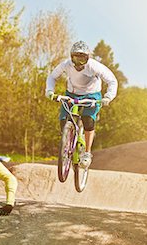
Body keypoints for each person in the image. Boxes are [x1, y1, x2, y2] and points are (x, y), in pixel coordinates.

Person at [45, 40, 118, 168]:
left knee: (88, 120)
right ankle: (67, 143)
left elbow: (112, 80)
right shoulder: (66, 65)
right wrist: (50, 91)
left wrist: (108, 97)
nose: (78, 63)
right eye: (75, 58)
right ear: (71, 57)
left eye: (82, 59)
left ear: (87, 58)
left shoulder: (94, 66)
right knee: (64, 120)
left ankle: (87, 153)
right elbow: (52, 77)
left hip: (91, 94)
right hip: (72, 94)